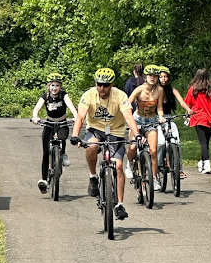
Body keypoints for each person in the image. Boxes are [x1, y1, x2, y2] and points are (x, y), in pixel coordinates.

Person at [70, 68, 140, 220]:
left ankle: (120, 204)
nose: (102, 88)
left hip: (116, 131)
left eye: (106, 85)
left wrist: (138, 135)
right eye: (99, 84)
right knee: (92, 146)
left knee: (119, 165)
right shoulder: (89, 95)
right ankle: (93, 176)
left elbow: (128, 117)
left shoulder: (120, 95)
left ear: (111, 85)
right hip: (95, 129)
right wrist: (75, 135)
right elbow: (81, 116)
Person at [32, 72, 78, 193]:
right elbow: (37, 108)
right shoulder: (45, 96)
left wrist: (76, 116)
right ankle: (44, 180)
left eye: (57, 85)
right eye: (52, 85)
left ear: (60, 87)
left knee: (62, 138)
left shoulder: (64, 95)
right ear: (48, 86)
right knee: (46, 152)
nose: (54, 88)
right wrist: (35, 117)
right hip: (49, 124)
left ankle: (62, 154)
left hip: (62, 122)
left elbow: (71, 106)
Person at [125, 64, 166, 190]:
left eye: (155, 76)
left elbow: (159, 107)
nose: (152, 78)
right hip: (137, 121)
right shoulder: (139, 89)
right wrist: (127, 117)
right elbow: (127, 103)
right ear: (145, 77)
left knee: (153, 151)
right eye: (150, 75)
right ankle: (130, 164)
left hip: (151, 121)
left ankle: (154, 178)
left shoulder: (160, 90)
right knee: (132, 147)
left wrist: (161, 116)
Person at [184, 68, 211, 174]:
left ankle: (206, 164)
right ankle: (202, 162)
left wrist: (187, 114)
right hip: (210, 119)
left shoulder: (193, 90)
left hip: (198, 119)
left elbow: (187, 105)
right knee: (205, 142)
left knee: (203, 142)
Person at [158, 66, 194, 179]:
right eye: (161, 77)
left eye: (165, 76)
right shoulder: (155, 91)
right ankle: (158, 166)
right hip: (156, 119)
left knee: (176, 142)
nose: (164, 79)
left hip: (169, 118)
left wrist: (188, 110)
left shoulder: (172, 90)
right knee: (161, 143)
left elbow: (182, 102)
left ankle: (179, 169)